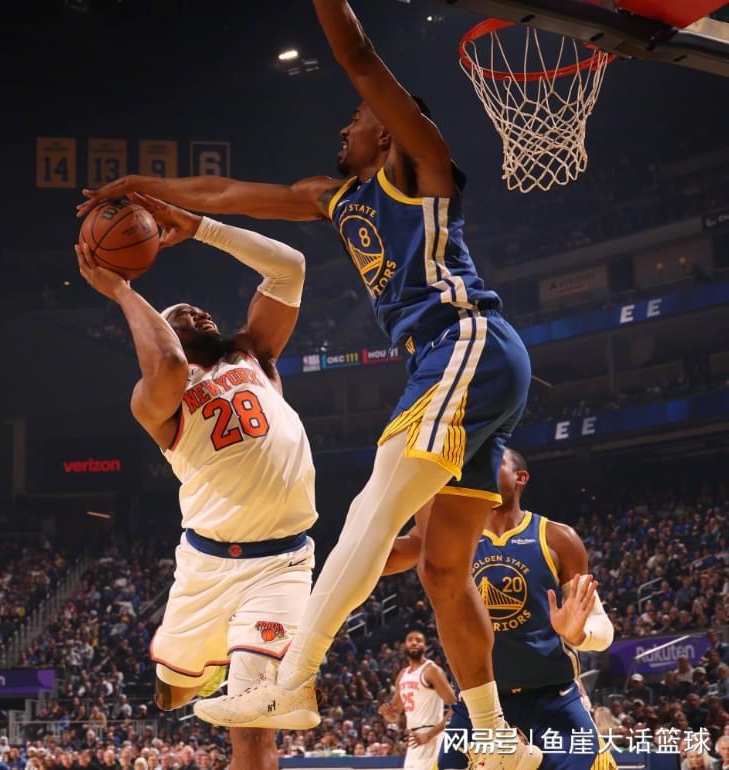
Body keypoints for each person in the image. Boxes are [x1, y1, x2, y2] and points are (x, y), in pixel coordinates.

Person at [80, 3, 532, 766]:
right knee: (440, 568)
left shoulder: (420, 164)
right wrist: (153, 192)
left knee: (374, 505)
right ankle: (496, 740)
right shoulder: (335, 196)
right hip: (448, 361)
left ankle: (293, 680)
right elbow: (224, 192)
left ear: (387, 130)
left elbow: (356, 53)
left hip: (464, 340)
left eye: (356, 119)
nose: (344, 127)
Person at [74, 197, 319, 770]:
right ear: (164, 330)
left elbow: (290, 268)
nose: (201, 314)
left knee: (252, 732)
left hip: (280, 566)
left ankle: (236, 664)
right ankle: (200, 668)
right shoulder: (157, 398)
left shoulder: (254, 355)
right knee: (172, 692)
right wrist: (121, 291)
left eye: (201, 310)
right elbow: (166, 363)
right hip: (205, 569)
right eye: (183, 315)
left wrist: (204, 228)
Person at [383, 448, 617, 770]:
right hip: (480, 703)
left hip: (552, 697)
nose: (481, 466)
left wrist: (579, 635)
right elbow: (381, 560)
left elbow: (601, 627)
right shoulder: (451, 539)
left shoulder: (559, 538)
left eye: (495, 459)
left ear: (521, 477)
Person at [378, 630, 456, 770]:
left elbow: (456, 707)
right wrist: (387, 714)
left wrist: (429, 735)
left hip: (431, 736)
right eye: (410, 640)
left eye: (419, 640)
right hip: (413, 739)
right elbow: (395, 715)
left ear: (425, 647)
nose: (414, 643)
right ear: (404, 646)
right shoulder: (402, 674)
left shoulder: (432, 670)